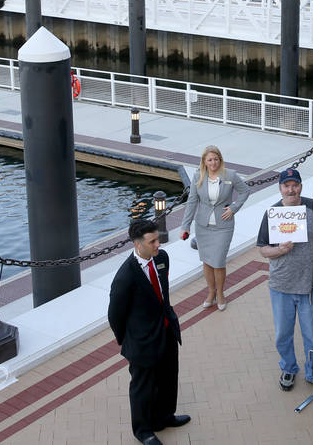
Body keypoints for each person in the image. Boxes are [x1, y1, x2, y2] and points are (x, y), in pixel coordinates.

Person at [256, 169, 313, 391]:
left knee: (312, 334)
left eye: (295, 185)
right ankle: (289, 368)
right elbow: (263, 249)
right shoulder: (273, 213)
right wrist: (279, 251)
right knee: (283, 334)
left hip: (309, 285)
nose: (291, 189)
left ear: (301, 186)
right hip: (281, 285)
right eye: (287, 185)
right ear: (280, 188)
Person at [108, 219, 188, 445]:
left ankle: (165, 417)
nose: (158, 244)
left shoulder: (162, 259)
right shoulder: (125, 277)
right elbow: (115, 315)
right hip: (142, 340)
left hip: (166, 331)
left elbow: (162, 294)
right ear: (137, 244)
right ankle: (143, 431)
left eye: (158, 239)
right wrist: (128, 340)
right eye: (152, 241)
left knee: (169, 377)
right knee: (142, 387)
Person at [179, 146, 249, 311]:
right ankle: (211, 292)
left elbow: (245, 191)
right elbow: (191, 203)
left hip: (223, 226)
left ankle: (220, 293)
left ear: (220, 159)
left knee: (218, 262)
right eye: (210, 160)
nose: (213, 163)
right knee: (207, 261)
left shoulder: (230, 175)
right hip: (203, 226)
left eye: (216, 159)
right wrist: (185, 226)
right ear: (204, 161)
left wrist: (233, 207)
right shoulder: (198, 177)